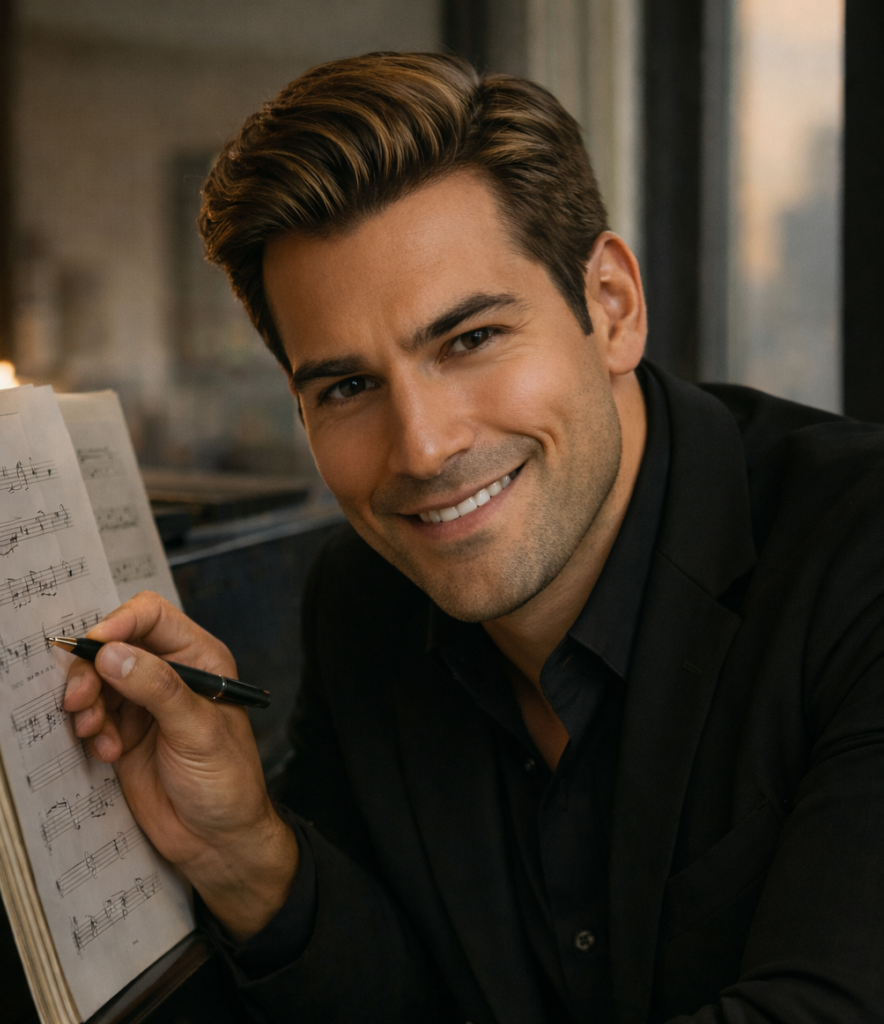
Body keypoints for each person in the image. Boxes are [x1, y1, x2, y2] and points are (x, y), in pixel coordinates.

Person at [62, 52, 884, 1023]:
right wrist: (243, 851)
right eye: (348, 387)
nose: (421, 446)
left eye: (470, 340)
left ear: (610, 306)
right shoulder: (358, 601)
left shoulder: (856, 552)